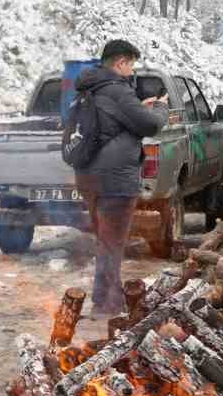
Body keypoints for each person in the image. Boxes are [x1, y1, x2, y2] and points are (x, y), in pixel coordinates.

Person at [71, 40, 168, 317]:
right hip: (115, 180)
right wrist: (159, 108)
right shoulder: (117, 89)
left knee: (105, 240)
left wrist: (139, 105)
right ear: (120, 63)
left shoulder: (89, 88)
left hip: (89, 176)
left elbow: (115, 118)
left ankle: (104, 298)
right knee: (112, 243)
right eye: (131, 65)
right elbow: (151, 125)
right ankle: (107, 305)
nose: (131, 71)